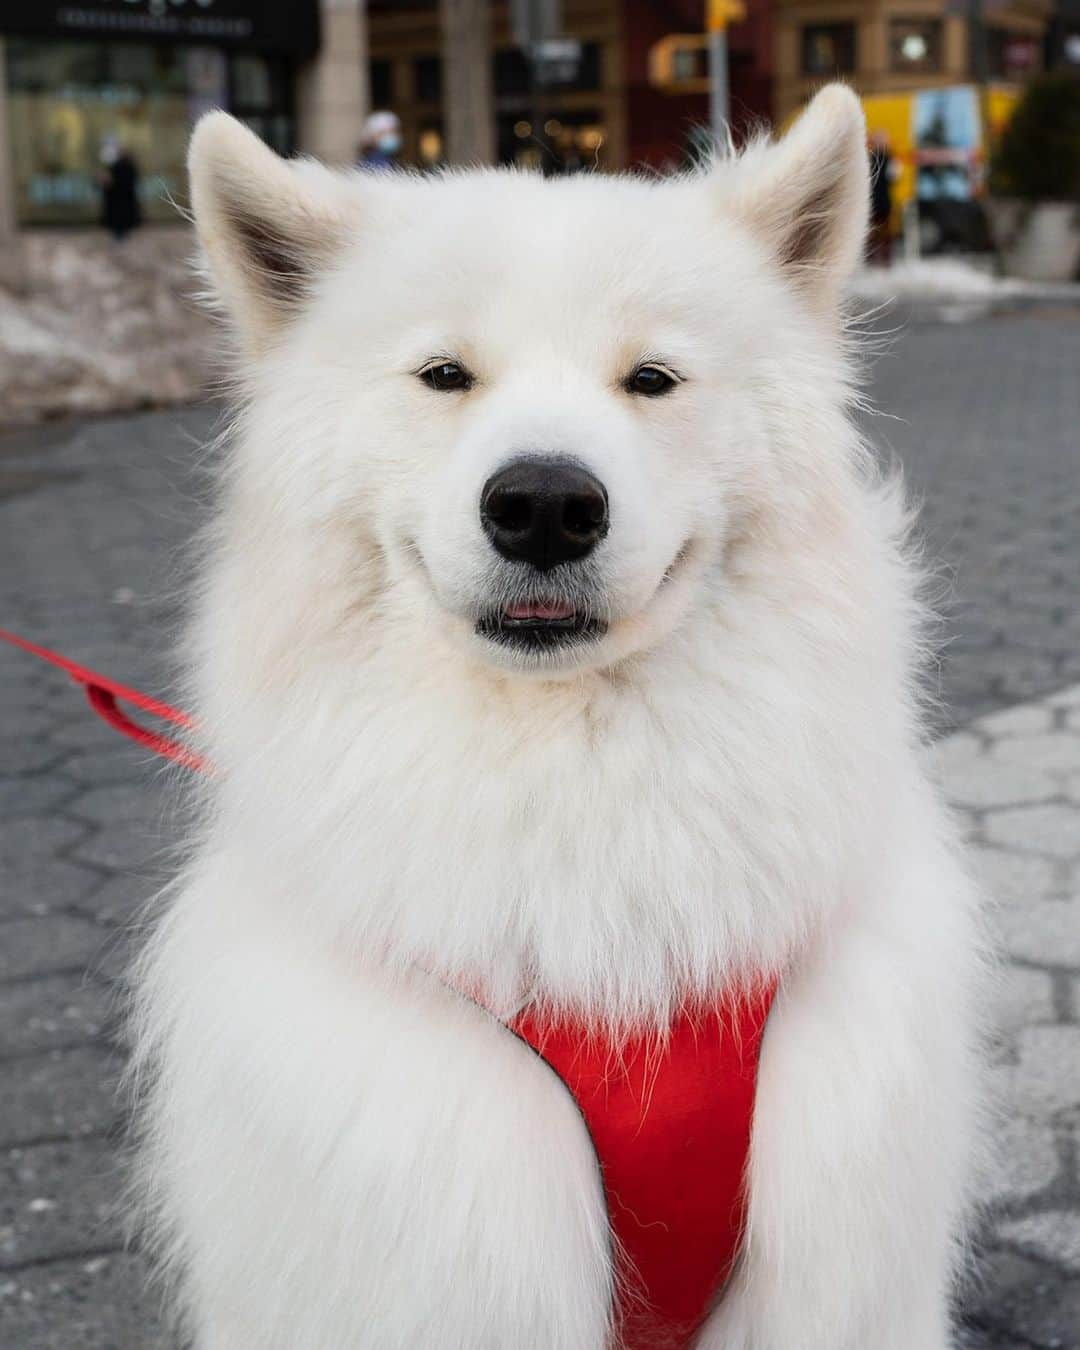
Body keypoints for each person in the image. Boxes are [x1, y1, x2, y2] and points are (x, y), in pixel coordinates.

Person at [99, 136, 141, 241]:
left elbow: (130, 180)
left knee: (122, 224)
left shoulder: (126, 164)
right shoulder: (109, 163)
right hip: (113, 201)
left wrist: (111, 180)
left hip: (123, 201)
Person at [868, 130, 895, 264]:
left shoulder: (869, 159)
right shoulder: (890, 160)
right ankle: (884, 258)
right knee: (883, 232)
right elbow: (894, 177)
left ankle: (873, 258)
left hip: (874, 199)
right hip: (883, 199)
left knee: (873, 230)